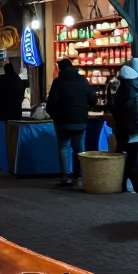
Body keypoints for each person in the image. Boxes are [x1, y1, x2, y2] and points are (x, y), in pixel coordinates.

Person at [46, 58, 97, 186]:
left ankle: (66, 176)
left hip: (62, 121)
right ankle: (79, 175)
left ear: (60, 68)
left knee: (64, 147)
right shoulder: (82, 81)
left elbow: (51, 103)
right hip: (80, 120)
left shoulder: (58, 82)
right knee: (79, 149)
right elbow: (93, 99)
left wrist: (55, 116)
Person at [112, 57, 138, 193]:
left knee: (126, 156)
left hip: (126, 128)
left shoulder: (120, 85)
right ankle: (137, 185)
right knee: (136, 159)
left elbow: (115, 107)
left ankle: (126, 184)